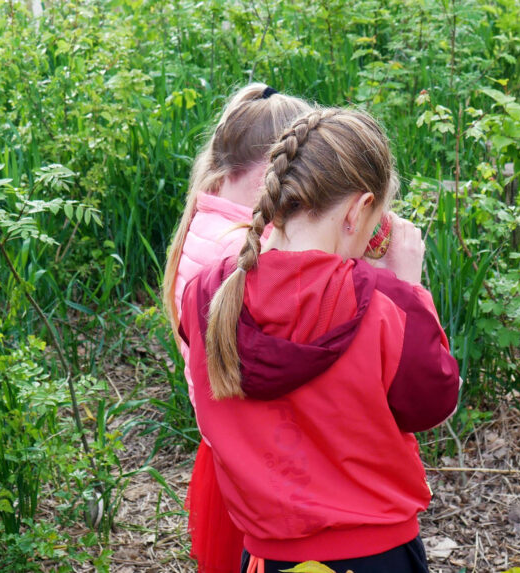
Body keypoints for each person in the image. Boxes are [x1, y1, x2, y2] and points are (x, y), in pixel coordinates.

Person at [178, 108, 461, 573]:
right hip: (376, 555)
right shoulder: (384, 302)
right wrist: (412, 290)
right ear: (356, 209)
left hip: (266, 557)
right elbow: (432, 403)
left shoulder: (205, 296)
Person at [162, 83, 312, 573]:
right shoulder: (239, 254)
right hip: (256, 472)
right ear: (283, 166)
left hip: (224, 457)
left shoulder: (207, 222)